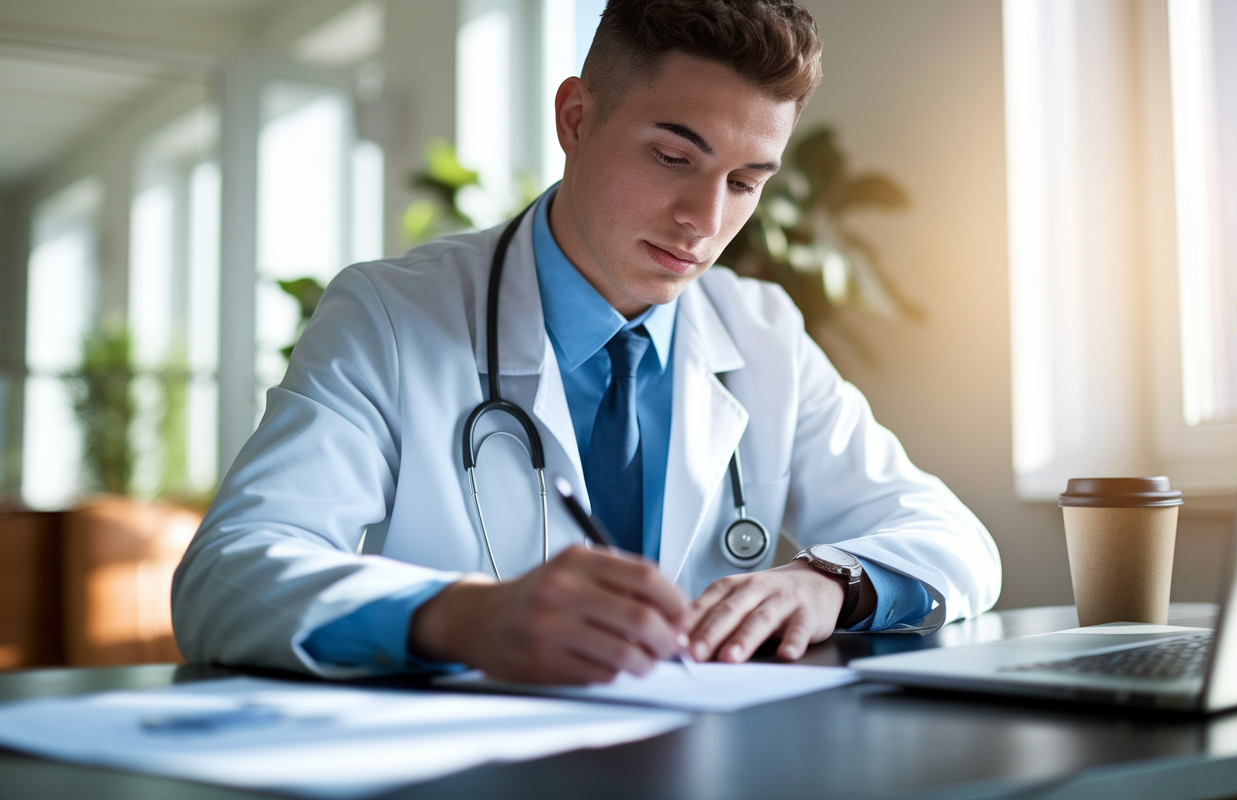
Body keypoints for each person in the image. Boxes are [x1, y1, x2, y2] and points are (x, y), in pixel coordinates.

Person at [172, 0, 1001, 684]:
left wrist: (833, 584)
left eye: (746, 183)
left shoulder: (762, 332)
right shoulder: (391, 314)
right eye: (675, 156)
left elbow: (955, 540)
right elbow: (225, 577)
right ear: (576, 116)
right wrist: (462, 615)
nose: (706, 222)